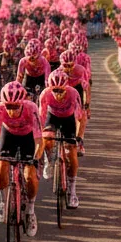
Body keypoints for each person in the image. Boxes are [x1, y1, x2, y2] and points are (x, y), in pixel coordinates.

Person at [0, 82, 43, 236]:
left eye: (15, 107)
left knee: (29, 176)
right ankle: (3, 201)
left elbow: (39, 140)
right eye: (8, 107)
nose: (11, 111)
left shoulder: (31, 108)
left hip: (27, 137)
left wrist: (35, 159)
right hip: (9, 136)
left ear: (22, 103)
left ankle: (31, 211)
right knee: (0, 171)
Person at [39, 69, 84, 209]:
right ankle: (49, 160)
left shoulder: (73, 94)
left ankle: (72, 191)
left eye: (61, 91)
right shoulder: (45, 94)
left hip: (69, 120)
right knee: (47, 138)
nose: (58, 94)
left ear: (66, 88)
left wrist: (79, 137)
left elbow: (80, 119)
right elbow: (41, 117)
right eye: (55, 91)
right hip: (52, 118)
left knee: (72, 154)